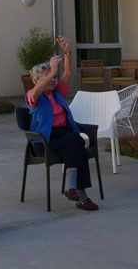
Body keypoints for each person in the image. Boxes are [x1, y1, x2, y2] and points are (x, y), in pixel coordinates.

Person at [26, 35, 99, 211]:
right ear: (36, 81)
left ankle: (73, 189)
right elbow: (37, 91)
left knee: (75, 143)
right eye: (47, 77)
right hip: (46, 139)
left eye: (53, 77)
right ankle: (80, 195)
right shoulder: (33, 95)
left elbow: (66, 73)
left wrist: (67, 52)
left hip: (64, 135)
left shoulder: (57, 92)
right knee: (76, 142)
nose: (52, 79)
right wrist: (51, 69)